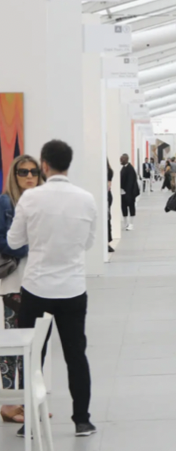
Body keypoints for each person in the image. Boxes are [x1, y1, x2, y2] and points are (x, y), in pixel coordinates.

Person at [7, 140, 98, 437]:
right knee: (76, 354)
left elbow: (13, 241)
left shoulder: (30, 200)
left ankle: (30, 422)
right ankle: (82, 420)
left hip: (36, 288)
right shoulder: (86, 199)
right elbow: (87, 243)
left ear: (44, 165)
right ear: (68, 164)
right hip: (72, 289)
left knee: (34, 356)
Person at [0, 155, 43, 425]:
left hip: (37, 282)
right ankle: (8, 404)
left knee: (33, 345)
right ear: (14, 176)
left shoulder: (40, 202)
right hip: (15, 282)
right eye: (22, 171)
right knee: (14, 344)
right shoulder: (7, 202)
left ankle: (28, 401)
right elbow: (7, 244)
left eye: (33, 171)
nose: (29, 176)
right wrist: (37, 241)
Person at [119, 154, 140, 231]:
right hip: (123, 192)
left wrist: (128, 192)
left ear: (126, 159)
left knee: (131, 208)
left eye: (122, 159)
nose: (121, 161)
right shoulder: (124, 168)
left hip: (129, 193)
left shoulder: (130, 169)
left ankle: (131, 224)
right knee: (124, 208)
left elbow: (130, 182)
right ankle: (125, 223)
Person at [107, 158, 115, 253]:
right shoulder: (109, 170)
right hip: (108, 195)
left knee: (107, 218)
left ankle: (107, 241)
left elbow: (108, 186)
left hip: (106, 196)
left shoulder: (108, 171)